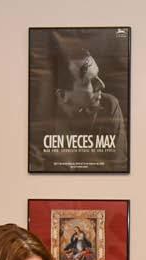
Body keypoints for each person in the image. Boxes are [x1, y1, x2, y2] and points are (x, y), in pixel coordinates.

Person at [28, 42, 128, 171]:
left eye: (97, 75)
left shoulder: (109, 105)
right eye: (88, 82)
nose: (102, 85)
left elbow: (118, 168)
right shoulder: (37, 119)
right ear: (62, 94)